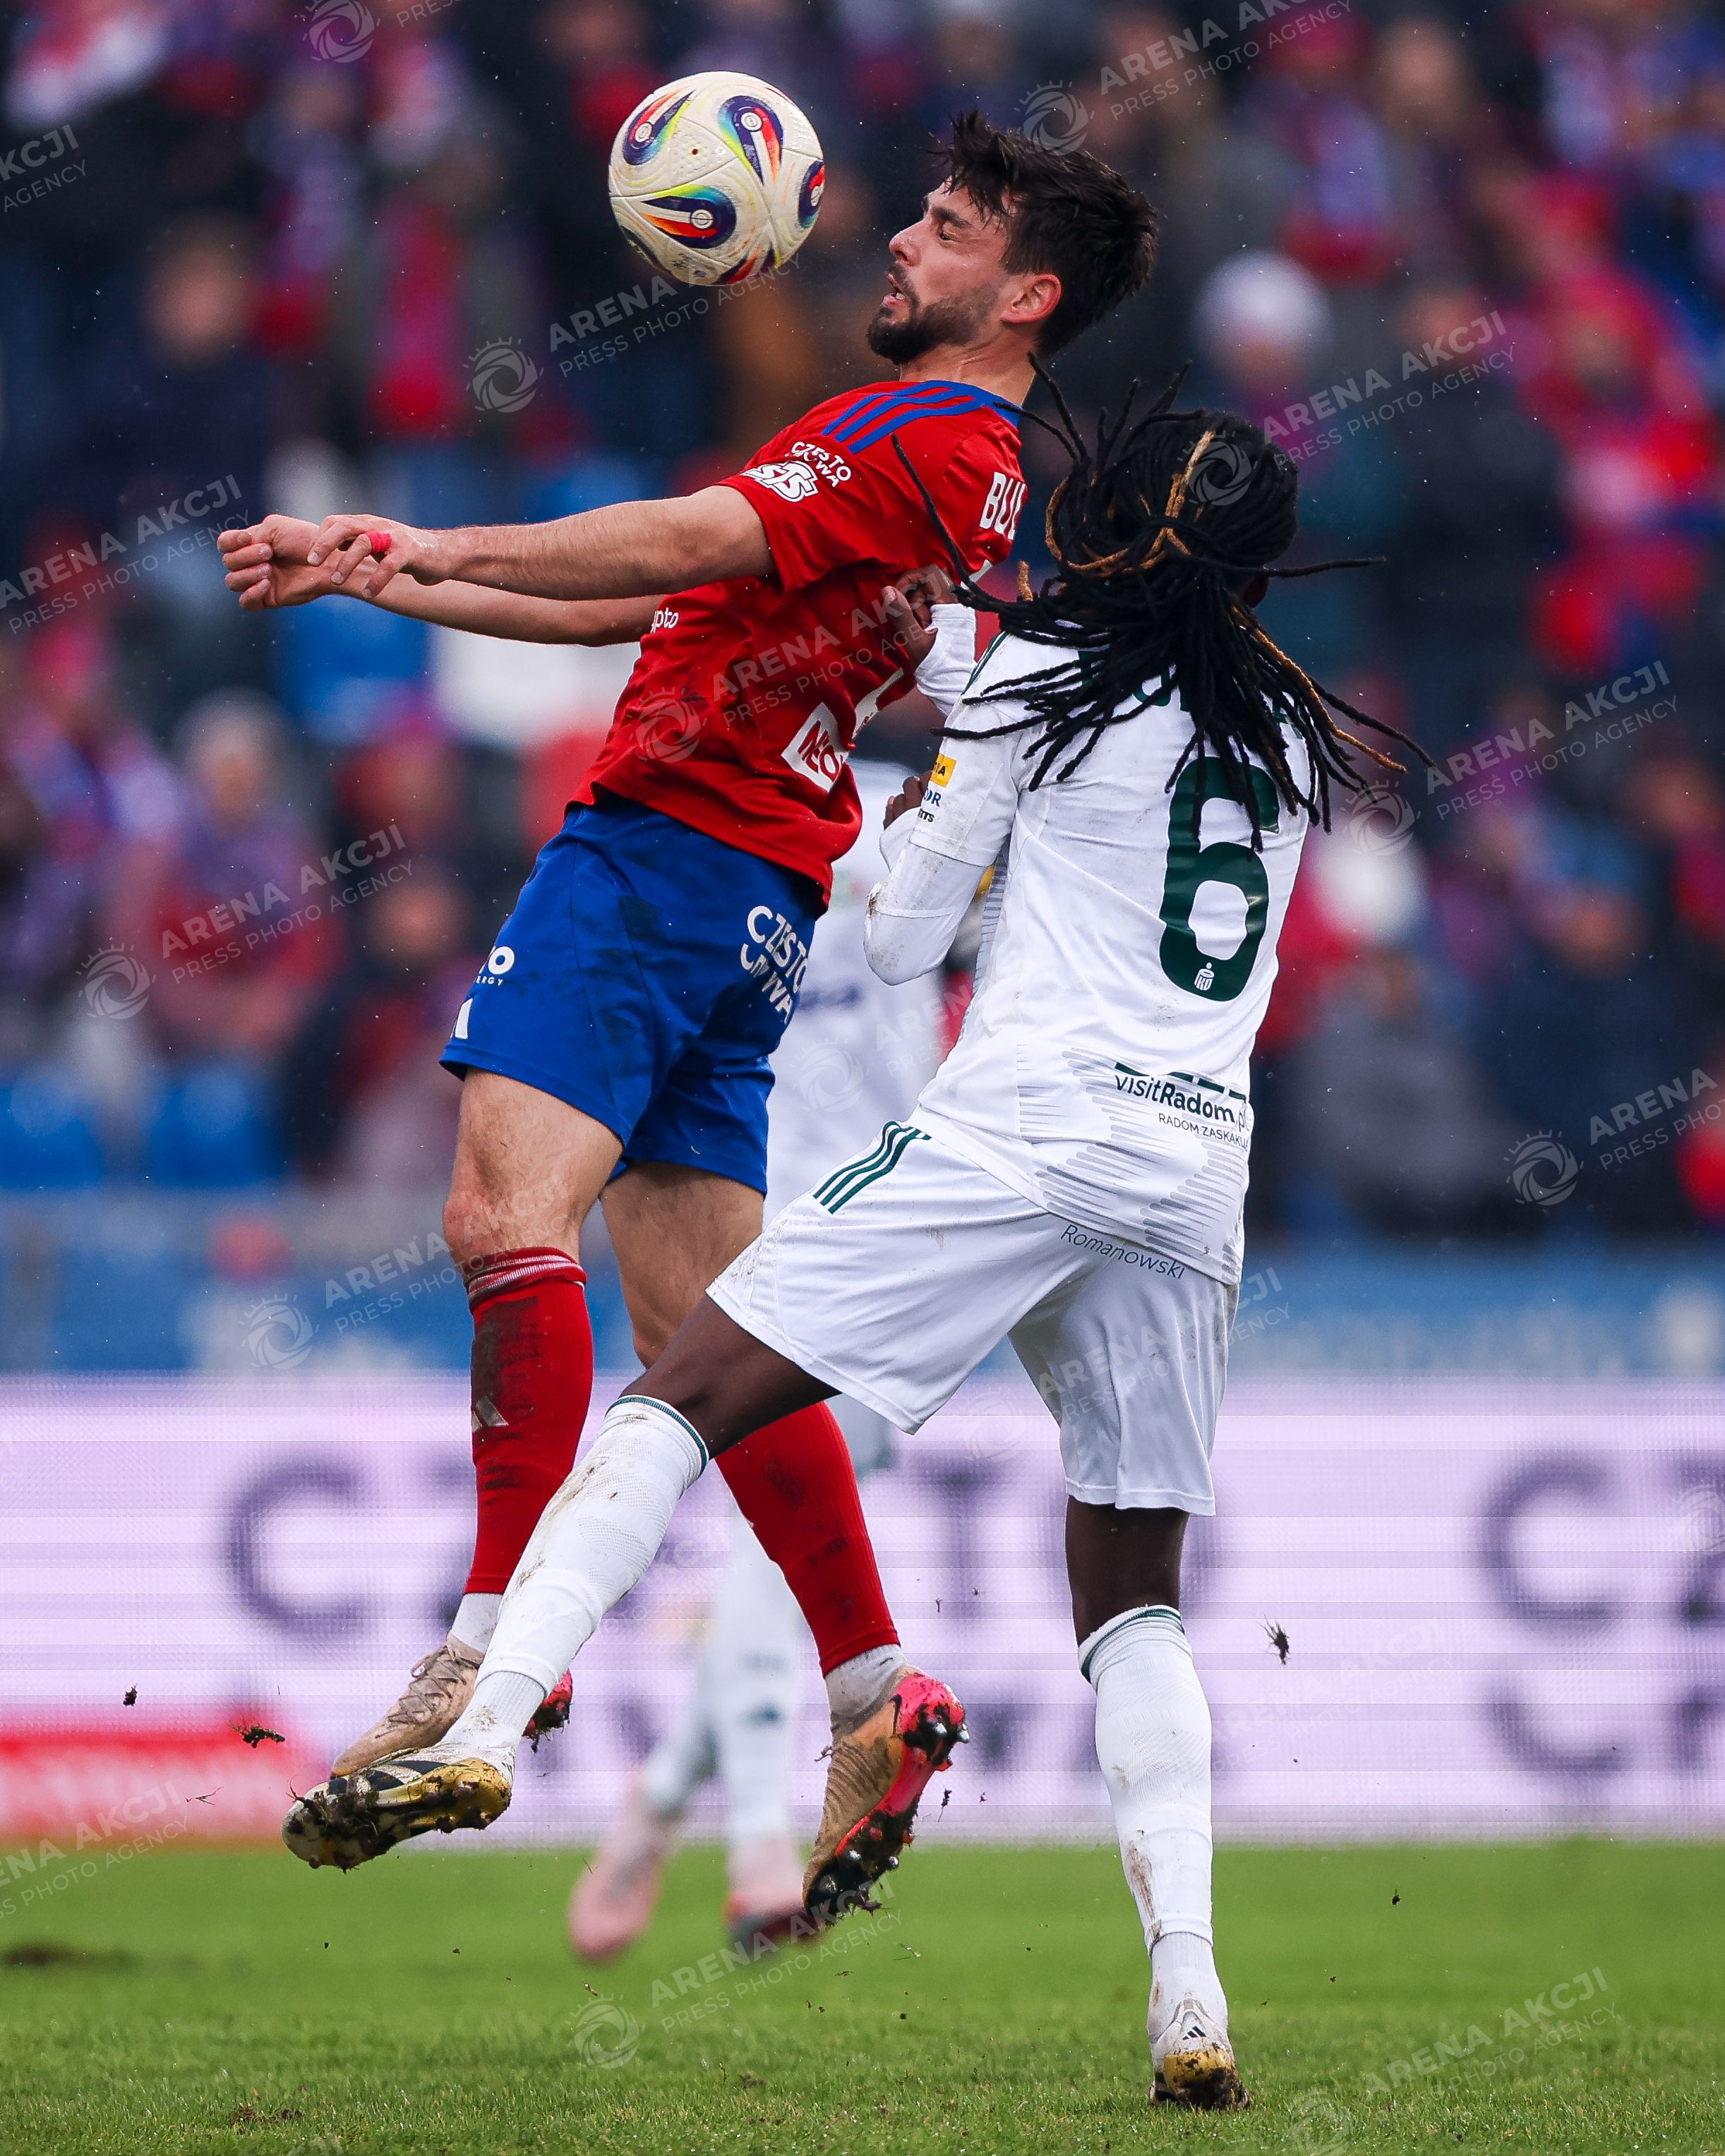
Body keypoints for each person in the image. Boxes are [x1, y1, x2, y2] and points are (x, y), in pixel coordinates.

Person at [276, 375, 1424, 2104]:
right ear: (1260, 580)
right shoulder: (1291, 737)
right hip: (1195, 1171)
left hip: (1020, 1132)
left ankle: (489, 1714)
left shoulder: (1040, 674)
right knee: (1136, 1612)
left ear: (1111, 527)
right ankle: (1188, 1999)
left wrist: (933, 813)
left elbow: (896, 942)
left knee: (680, 1392)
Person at [223, 113, 1158, 1913]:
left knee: (500, 1217)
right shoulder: (979, 466)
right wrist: (387, 570)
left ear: (1025, 293)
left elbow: (683, 530)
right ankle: (875, 1690)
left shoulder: (912, 425)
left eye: (949, 228)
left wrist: (424, 525)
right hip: (757, 889)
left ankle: (490, 1649)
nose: (902, 240)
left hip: (657, 856)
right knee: (709, 1332)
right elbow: (655, 599)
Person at [567, 759, 945, 1961]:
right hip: (736, 1229)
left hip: (886, 1231)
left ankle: (659, 1805)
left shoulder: (922, 809)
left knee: (778, 1562)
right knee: (771, 1560)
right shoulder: (697, 816)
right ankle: (758, 1853)